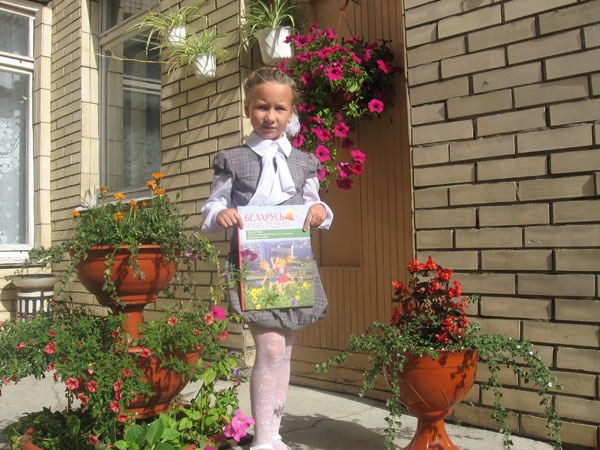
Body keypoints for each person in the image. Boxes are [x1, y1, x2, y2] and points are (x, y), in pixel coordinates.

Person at [201, 67, 333, 450]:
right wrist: (221, 214)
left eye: (279, 108)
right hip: (254, 266)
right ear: (247, 108)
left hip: (292, 265)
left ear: (291, 113)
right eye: (262, 107)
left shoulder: (304, 162)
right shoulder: (233, 159)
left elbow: (317, 204)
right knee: (271, 348)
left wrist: (320, 211)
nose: (270, 116)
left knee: (285, 351)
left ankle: (274, 435)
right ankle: (261, 439)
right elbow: (212, 206)